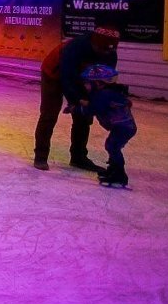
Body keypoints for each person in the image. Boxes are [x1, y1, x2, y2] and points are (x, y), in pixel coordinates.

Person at [32, 25, 119, 172]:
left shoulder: (110, 53)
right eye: (101, 49)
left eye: (108, 50)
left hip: (80, 78)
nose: (104, 53)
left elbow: (106, 80)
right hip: (54, 74)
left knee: (84, 116)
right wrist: (78, 99)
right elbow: (67, 78)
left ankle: (78, 157)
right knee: (49, 114)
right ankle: (40, 155)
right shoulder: (75, 48)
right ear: (94, 43)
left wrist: (100, 99)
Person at [74, 64, 135, 188]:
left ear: (98, 83)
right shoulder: (106, 93)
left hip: (123, 127)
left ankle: (119, 175)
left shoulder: (104, 94)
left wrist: (76, 109)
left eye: (88, 83)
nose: (85, 86)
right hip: (123, 127)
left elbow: (94, 109)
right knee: (112, 146)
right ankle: (113, 170)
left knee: (113, 147)